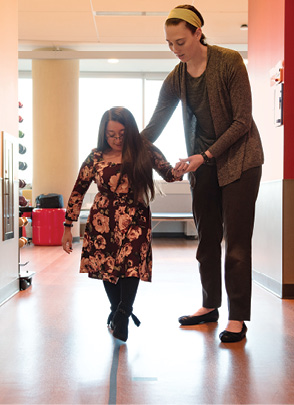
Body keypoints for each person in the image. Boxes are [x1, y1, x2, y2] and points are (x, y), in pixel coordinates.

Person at [141, 5, 264, 343]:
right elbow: (155, 125)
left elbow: (242, 120)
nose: (175, 50)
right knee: (207, 240)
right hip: (203, 165)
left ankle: (237, 318)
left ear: (198, 32)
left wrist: (206, 154)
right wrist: (122, 148)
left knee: (236, 244)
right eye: (169, 44)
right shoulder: (177, 78)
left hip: (241, 159)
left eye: (180, 41)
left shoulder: (229, 62)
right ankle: (210, 306)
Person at [62, 107, 185, 342]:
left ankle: (123, 314)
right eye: (111, 134)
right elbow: (78, 190)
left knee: (132, 263)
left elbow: (169, 174)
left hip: (136, 215)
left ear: (130, 131)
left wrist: (182, 169)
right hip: (103, 218)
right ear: (103, 133)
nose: (117, 139)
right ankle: (118, 312)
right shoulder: (95, 156)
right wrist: (68, 227)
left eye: (122, 133)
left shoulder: (144, 149)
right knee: (108, 268)